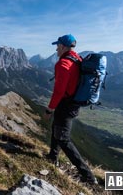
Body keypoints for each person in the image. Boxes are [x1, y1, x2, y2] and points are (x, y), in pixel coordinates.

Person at [44, 34, 97, 184]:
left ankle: (88, 176)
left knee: (63, 138)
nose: (56, 49)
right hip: (74, 102)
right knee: (56, 127)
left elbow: (59, 91)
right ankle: (52, 157)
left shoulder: (63, 64)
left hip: (66, 104)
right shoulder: (78, 59)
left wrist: (49, 109)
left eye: (57, 46)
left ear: (62, 46)